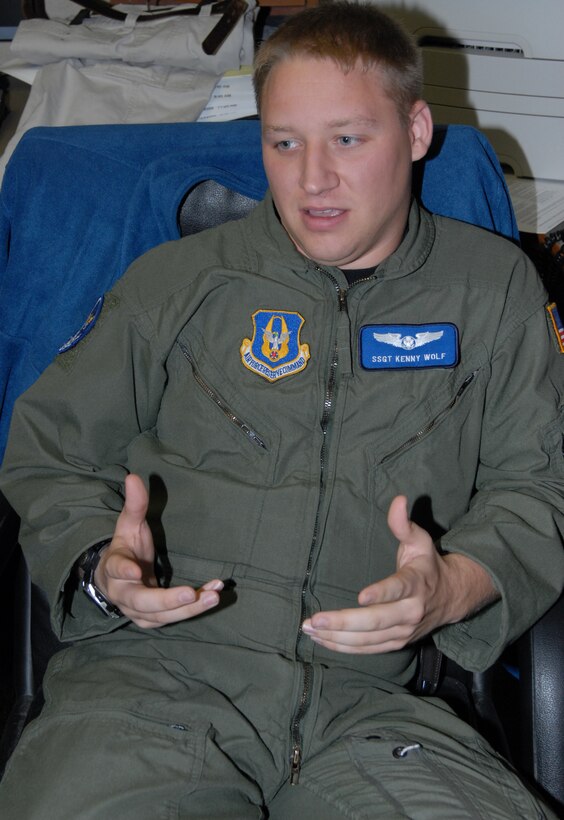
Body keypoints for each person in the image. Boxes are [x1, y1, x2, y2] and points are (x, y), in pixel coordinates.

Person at [0, 2, 563, 817]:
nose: (312, 179)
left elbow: (537, 486)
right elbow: (49, 449)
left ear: (415, 130)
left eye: (348, 139)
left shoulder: (494, 291)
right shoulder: (176, 282)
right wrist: (100, 566)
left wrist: (454, 586)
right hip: (153, 694)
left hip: (372, 712)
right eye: (284, 141)